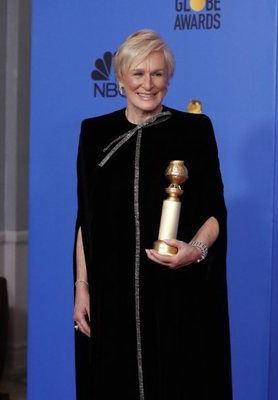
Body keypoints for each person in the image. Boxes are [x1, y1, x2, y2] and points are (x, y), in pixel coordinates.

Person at [73, 29, 232, 400]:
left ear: (169, 79)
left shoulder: (195, 130)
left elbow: (214, 211)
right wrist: (83, 287)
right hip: (112, 292)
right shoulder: (94, 133)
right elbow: (86, 220)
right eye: (139, 73)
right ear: (121, 78)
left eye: (158, 74)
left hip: (176, 289)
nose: (148, 84)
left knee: (179, 381)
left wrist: (195, 251)